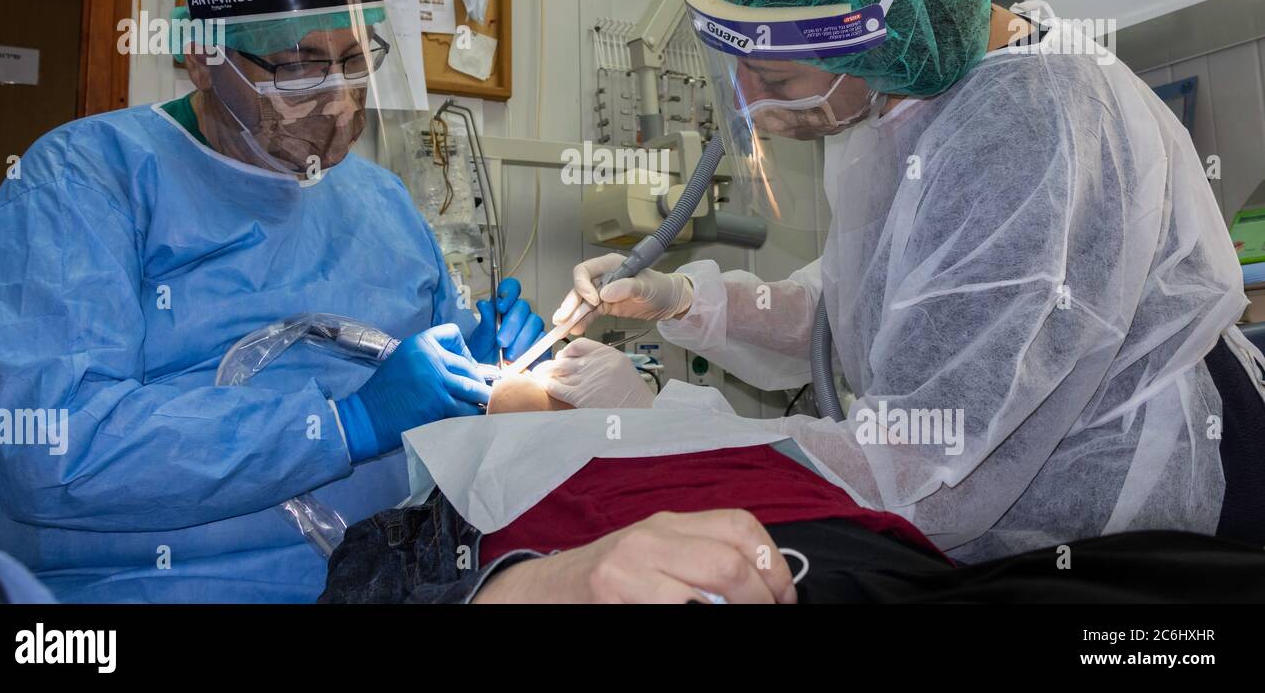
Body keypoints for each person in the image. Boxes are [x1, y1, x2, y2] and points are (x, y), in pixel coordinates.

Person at [552, 0, 1265, 562]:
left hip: (1145, 512)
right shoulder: (899, 103)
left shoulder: (1025, 129)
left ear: (874, 39)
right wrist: (682, 301)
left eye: (772, 77)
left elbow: (925, 457)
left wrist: (657, 428)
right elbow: (860, 310)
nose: (756, 111)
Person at [0, 0, 544, 602]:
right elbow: (54, 448)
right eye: (299, 67)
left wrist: (486, 358)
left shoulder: (381, 203)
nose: (337, 105)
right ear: (203, 57)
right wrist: (340, 425)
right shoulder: (83, 181)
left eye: (357, 61)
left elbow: (434, 384)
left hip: (391, 577)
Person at [318, 342, 1265, 603]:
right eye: (506, 370)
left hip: (874, 556)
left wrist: (648, 388)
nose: (529, 368)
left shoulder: (701, 419)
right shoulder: (453, 497)